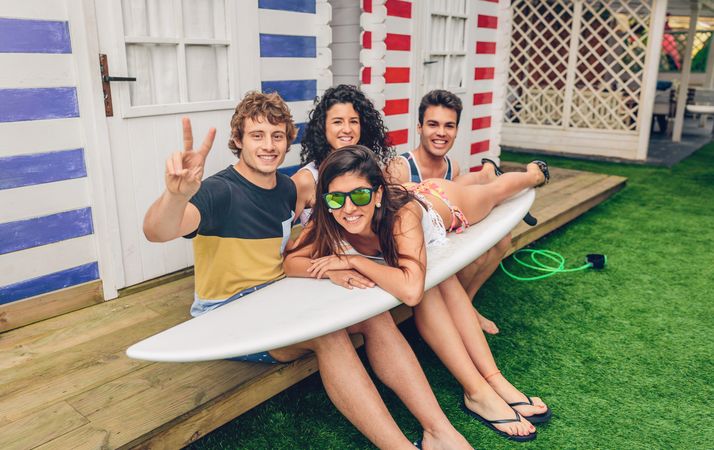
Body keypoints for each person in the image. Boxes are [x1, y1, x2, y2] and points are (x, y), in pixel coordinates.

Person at [142, 91, 471, 449]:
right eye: (257, 136)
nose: (268, 146)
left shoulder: (287, 188)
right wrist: (176, 197)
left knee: (374, 315)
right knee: (327, 334)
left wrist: (335, 266)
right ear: (237, 141)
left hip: (278, 296)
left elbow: (304, 242)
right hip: (228, 313)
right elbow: (157, 231)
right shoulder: (219, 192)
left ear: (289, 140)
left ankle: (439, 430)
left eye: (277, 135)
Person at [285, 146, 552, 442]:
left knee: (496, 193)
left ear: (377, 194)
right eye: (336, 198)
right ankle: (482, 389)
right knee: (438, 282)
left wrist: (353, 261)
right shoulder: (330, 217)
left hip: (441, 203)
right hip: (404, 205)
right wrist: (332, 271)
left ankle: (531, 174)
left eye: (359, 195)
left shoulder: (402, 214)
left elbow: (411, 291)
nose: (348, 209)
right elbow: (291, 261)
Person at [387, 90, 510, 335]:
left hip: (443, 241)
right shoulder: (400, 169)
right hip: (410, 251)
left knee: (501, 240)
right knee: (473, 254)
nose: (441, 133)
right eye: (433, 124)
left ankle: (466, 303)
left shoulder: (452, 166)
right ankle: (461, 312)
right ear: (420, 127)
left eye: (449, 126)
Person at [293, 84, 394, 225]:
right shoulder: (307, 179)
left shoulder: (371, 170)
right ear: (323, 127)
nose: (347, 129)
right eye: (337, 122)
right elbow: (279, 234)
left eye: (353, 121)